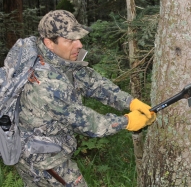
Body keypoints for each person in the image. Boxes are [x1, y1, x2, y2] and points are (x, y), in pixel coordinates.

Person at [15, 10, 156, 186]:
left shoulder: (60, 59)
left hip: (43, 146)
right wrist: (127, 121)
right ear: (49, 43)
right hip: (43, 160)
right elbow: (87, 122)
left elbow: (93, 81)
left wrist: (129, 101)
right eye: (70, 40)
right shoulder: (46, 84)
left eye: (78, 38)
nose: (79, 44)